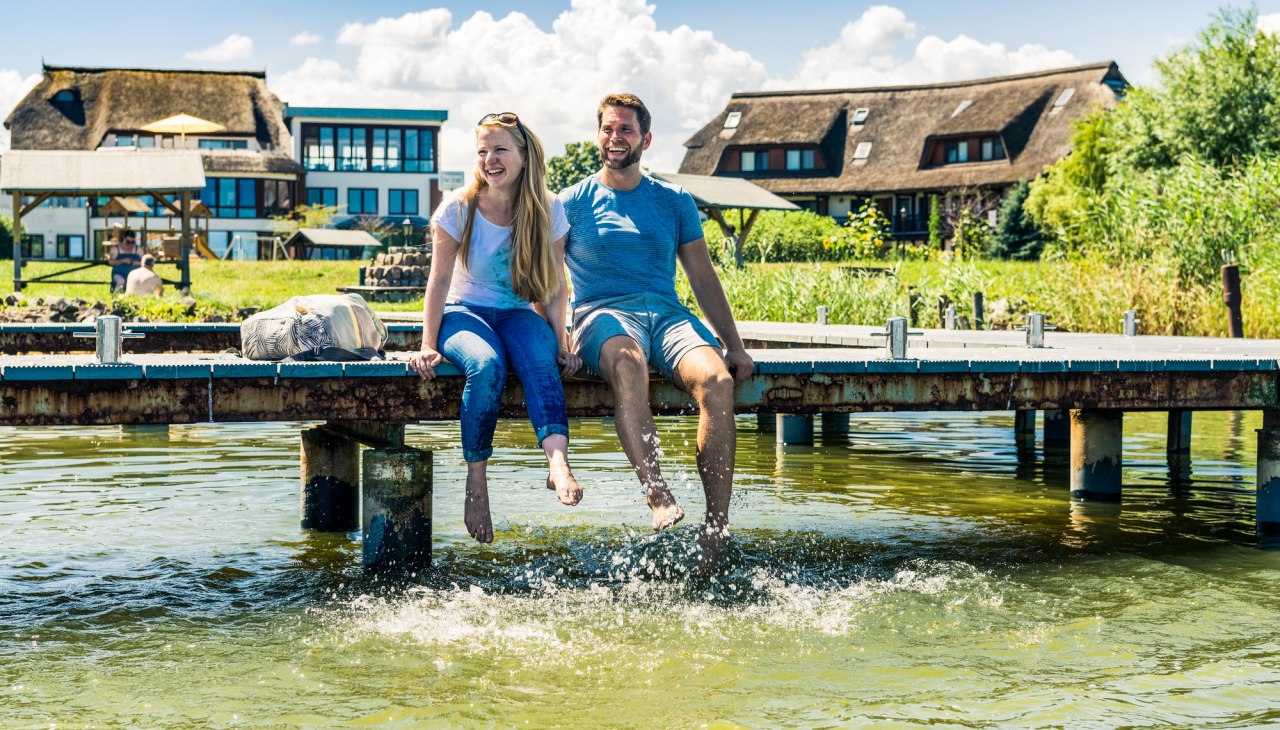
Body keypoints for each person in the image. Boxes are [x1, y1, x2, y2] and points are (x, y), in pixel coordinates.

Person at [559, 93, 754, 561]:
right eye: (608, 128)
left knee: (717, 380)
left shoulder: (674, 201)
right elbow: (548, 283)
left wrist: (736, 346)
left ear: (645, 138)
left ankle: (716, 527)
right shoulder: (570, 202)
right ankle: (657, 492)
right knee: (629, 365)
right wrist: (557, 342)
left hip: (667, 315)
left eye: (625, 129)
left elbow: (703, 278)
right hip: (602, 316)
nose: (615, 137)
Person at [409, 112, 583, 544]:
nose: (490, 159)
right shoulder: (459, 207)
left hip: (517, 313)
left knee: (541, 363)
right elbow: (439, 281)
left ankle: (557, 463)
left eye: (500, 149)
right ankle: (477, 482)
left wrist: (561, 342)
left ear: (524, 156)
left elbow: (556, 286)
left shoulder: (548, 207)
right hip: (464, 312)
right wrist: (429, 343)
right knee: (486, 366)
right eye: (483, 151)